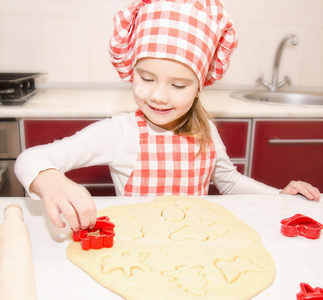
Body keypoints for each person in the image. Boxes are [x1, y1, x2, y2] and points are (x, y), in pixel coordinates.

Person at [14, 0, 321, 232]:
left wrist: (279, 196)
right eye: (146, 79)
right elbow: (30, 158)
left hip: (196, 243)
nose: (159, 95)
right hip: (137, 246)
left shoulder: (206, 130)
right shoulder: (122, 133)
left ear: (200, 87)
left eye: (178, 85)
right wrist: (49, 179)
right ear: (131, 72)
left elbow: (229, 181)